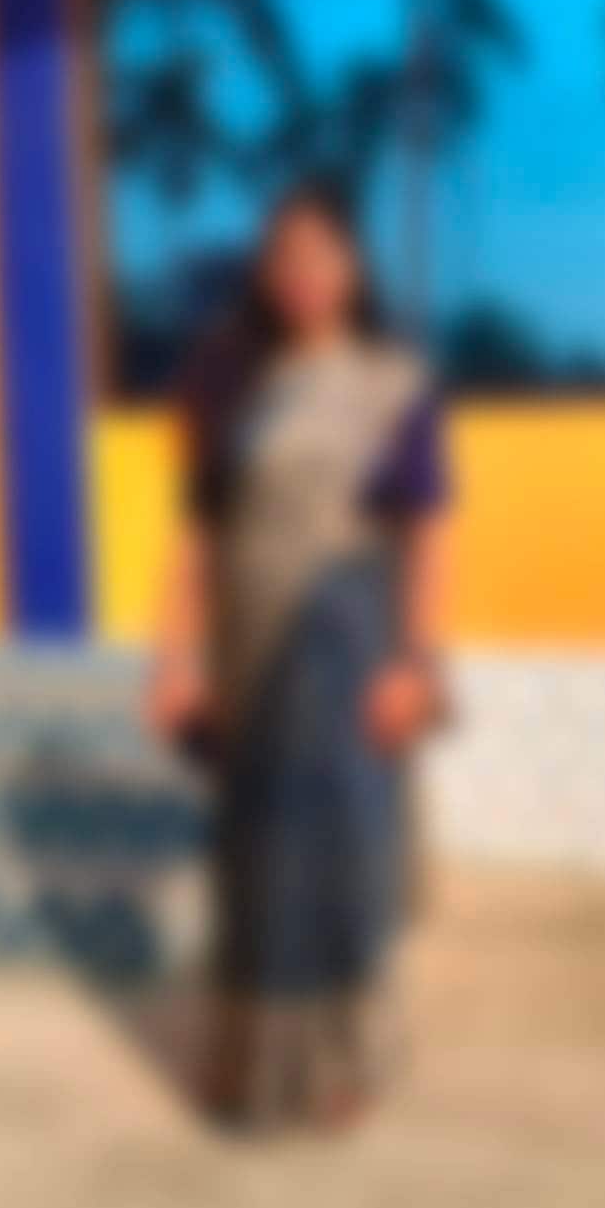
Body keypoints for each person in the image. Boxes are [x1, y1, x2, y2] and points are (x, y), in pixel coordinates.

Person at [146, 180, 453, 1131]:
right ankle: (246, 1059)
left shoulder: (392, 381)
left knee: (338, 861)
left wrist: (416, 665)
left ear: (353, 266)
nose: (305, 273)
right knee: (249, 865)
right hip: (246, 654)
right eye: (286, 256)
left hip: (346, 646)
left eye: (323, 253)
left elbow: (428, 532)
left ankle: (342, 1065)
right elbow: (198, 530)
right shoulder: (229, 379)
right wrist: (173, 657)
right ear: (265, 272)